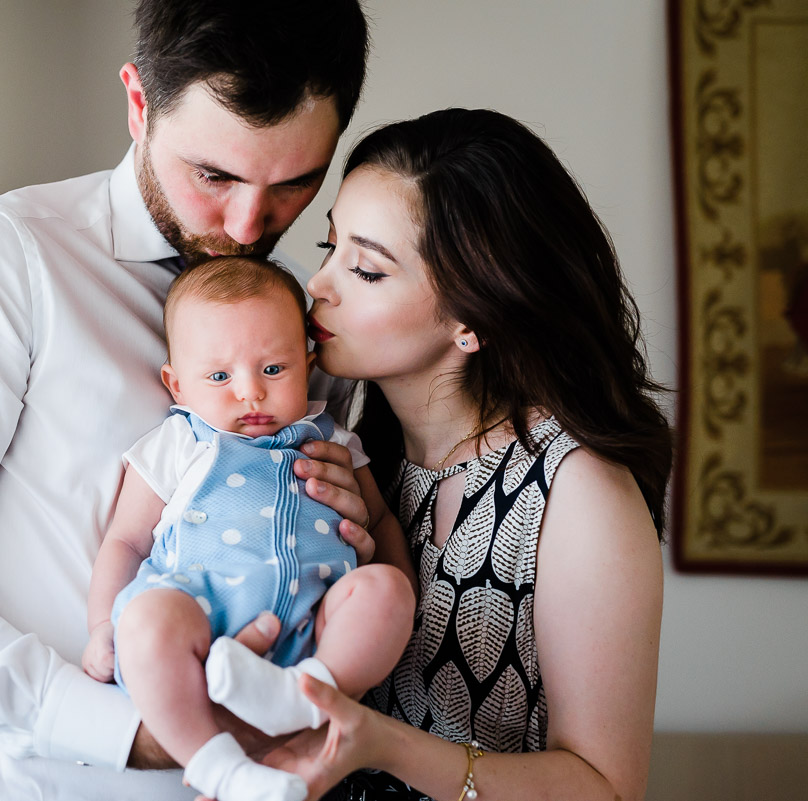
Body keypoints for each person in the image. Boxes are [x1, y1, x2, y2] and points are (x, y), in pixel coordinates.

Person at [0, 2, 373, 800]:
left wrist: (352, 532)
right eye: (214, 176)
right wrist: (130, 732)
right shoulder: (6, 261)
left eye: (294, 183)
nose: (250, 225)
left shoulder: (312, 315)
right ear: (139, 103)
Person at [256, 108, 672, 801]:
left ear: (471, 317)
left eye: (366, 269)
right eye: (329, 246)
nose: (319, 285)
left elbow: (605, 786)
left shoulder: (576, 490)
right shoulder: (349, 449)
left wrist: (384, 744)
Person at [81, 256, 417, 801]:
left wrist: (399, 593)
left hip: (315, 631)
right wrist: (102, 626)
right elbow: (126, 540)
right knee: (146, 621)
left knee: (385, 589)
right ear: (177, 385)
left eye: (274, 369)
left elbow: (378, 520)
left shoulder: (331, 441)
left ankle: (307, 696)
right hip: (199, 615)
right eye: (219, 377)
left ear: (307, 365)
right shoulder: (180, 443)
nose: (251, 393)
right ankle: (215, 765)